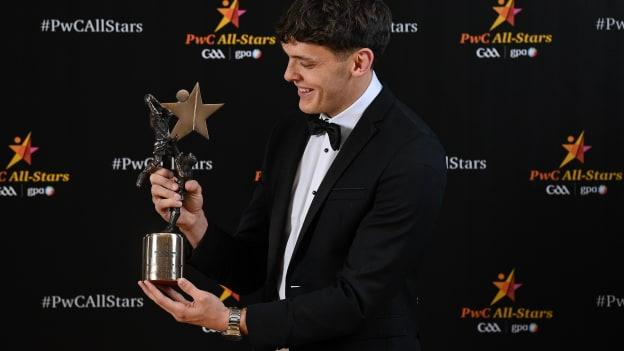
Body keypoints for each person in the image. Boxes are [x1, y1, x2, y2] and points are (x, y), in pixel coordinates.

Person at [138, 1, 447, 350]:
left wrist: (232, 320)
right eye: (289, 58)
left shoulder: (411, 153)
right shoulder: (290, 132)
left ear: (359, 62)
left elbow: (358, 299)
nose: (289, 74)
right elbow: (254, 269)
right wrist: (196, 226)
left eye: (307, 63)